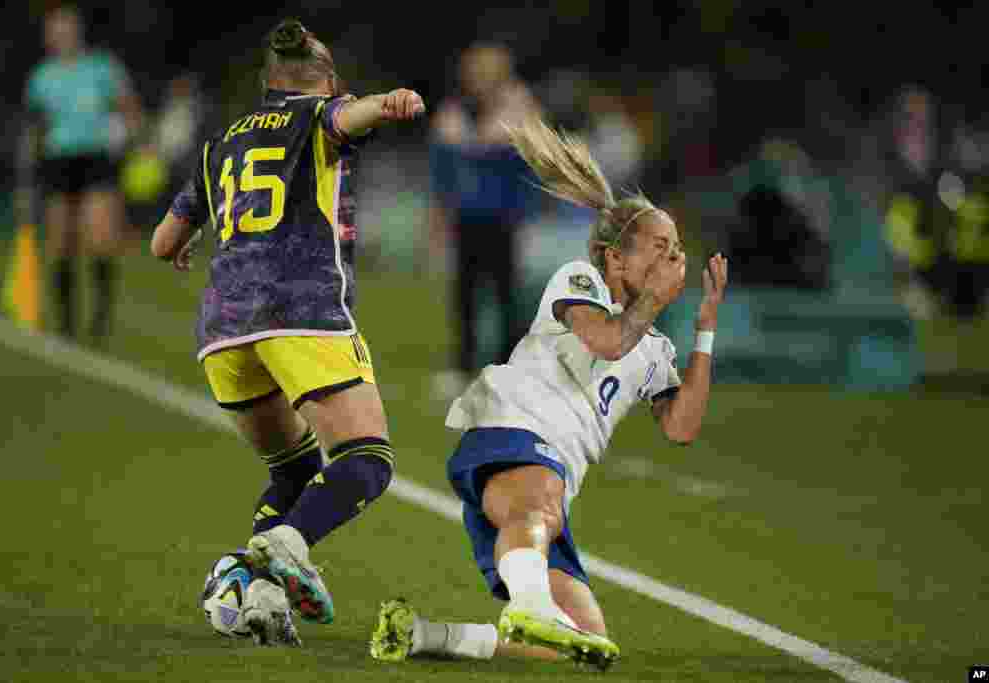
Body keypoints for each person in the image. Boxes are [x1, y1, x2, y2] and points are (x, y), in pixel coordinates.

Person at [370, 117, 728, 668]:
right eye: (660, 246)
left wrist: (705, 328)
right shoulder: (579, 281)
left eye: (677, 248)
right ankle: (531, 604)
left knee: (585, 641)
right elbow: (608, 342)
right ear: (616, 259)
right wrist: (652, 301)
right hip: (513, 431)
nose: (673, 259)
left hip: (549, 473)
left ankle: (424, 635)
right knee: (540, 511)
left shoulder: (657, 350)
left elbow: (681, 427)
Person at [150, 18, 425, 645]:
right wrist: (387, 105)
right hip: (300, 312)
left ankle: (263, 600)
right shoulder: (323, 113)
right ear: (326, 81)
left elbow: (163, 240)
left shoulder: (219, 142)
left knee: (295, 471)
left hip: (223, 327)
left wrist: (190, 241)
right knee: (367, 461)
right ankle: (275, 551)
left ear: (269, 81)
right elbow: (346, 122)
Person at [18, 4, 144, 341]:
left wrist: (134, 140)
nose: (61, 34)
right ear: (48, 35)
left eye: (67, 26)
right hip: (58, 162)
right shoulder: (41, 77)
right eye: (55, 28)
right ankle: (66, 325)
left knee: (101, 238)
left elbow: (129, 108)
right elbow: (35, 129)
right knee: (61, 243)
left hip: (97, 158)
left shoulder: (101, 67)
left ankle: (100, 322)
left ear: (78, 30)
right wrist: (28, 173)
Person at [428, 42, 542, 398]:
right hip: (467, 216)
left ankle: (510, 367)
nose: (476, 80)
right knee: (464, 293)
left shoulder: (521, 110)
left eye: (483, 73)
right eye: (472, 73)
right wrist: (440, 211)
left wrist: (526, 208)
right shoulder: (456, 112)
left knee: (506, 294)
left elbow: (531, 166)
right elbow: (443, 168)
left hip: (504, 218)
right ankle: (463, 366)